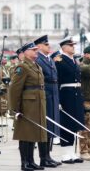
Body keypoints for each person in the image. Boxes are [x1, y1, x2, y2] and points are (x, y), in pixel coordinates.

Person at [9, 42, 47, 170]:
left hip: (37, 103)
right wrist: (15, 109)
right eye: (33, 50)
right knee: (25, 134)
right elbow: (14, 89)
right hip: (27, 105)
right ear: (25, 52)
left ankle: (31, 161)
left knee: (33, 133)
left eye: (36, 49)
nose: (36, 51)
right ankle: (24, 163)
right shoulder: (22, 67)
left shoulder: (36, 66)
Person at [55, 37, 84, 164]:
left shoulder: (74, 61)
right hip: (66, 95)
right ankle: (65, 154)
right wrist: (58, 100)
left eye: (74, 45)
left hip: (76, 95)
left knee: (74, 124)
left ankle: (72, 152)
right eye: (70, 45)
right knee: (66, 124)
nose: (73, 47)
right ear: (63, 47)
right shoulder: (59, 61)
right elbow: (57, 81)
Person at [34, 35, 61, 167]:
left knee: (51, 126)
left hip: (53, 93)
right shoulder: (38, 59)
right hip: (46, 94)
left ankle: (48, 156)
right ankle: (43, 158)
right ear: (38, 47)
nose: (48, 46)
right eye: (46, 44)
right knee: (45, 127)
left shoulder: (49, 59)